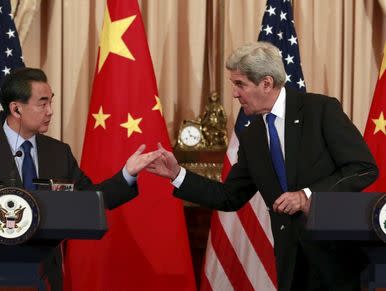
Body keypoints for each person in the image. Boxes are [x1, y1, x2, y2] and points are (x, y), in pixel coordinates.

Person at [147, 42, 378, 291]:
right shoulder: (253, 135)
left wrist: (307, 195)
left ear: (266, 83)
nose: (234, 94)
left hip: (336, 259)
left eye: (240, 84)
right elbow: (229, 197)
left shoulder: (319, 110)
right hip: (291, 264)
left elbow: (363, 167)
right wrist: (176, 174)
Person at [0, 67, 160, 290]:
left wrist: (128, 173)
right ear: (16, 108)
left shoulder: (59, 153)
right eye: (42, 104)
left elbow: (90, 200)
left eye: (51, 102)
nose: (50, 111)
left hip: (45, 277)